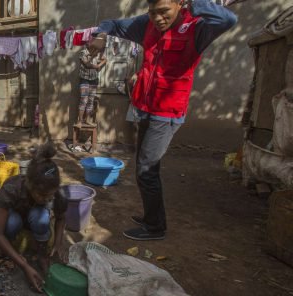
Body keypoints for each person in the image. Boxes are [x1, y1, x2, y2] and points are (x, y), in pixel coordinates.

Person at [93, 0, 237, 240]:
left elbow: (229, 20)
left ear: (180, 4)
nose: (157, 18)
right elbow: (114, 25)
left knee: (147, 170)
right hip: (144, 107)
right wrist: (100, 34)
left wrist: (195, 4)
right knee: (144, 166)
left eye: (163, 12)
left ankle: (155, 227)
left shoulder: (196, 27)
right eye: (152, 12)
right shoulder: (146, 24)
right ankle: (152, 217)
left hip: (167, 113)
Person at [0, 143, 67, 292]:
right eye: (42, 195)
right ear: (29, 185)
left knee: (41, 217)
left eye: (50, 195)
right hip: (16, 219)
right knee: (12, 222)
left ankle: (41, 255)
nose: (47, 199)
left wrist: (58, 243)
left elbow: (61, 218)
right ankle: (12, 252)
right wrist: (25, 266)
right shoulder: (12, 188)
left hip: (34, 218)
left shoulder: (57, 194)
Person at [77, 36, 107, 126]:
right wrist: (96, 65)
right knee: (84, 100)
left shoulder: (97, 52)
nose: (93, 46)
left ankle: (87, 120)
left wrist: (99, 65)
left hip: (94, 79)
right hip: (84, 79)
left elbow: (105, 59)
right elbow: (86, 64)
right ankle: (79, 121)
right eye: (91, 44)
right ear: (88, 44)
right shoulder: (83, 52)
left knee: (91, 100)